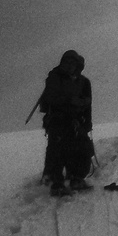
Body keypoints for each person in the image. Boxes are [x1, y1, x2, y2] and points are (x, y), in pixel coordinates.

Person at [38, 49, 94, 196]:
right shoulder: (57, 78)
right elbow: (51, 98)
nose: (70, 66)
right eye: (67, 62)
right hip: (58, 120)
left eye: (72, 63)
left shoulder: (81, 82)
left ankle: (72, 178)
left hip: (72, 121)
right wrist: (72, 102)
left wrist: (87, 122)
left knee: (78, 147)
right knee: (60, 149)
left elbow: (87, 105)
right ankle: (57, 182)